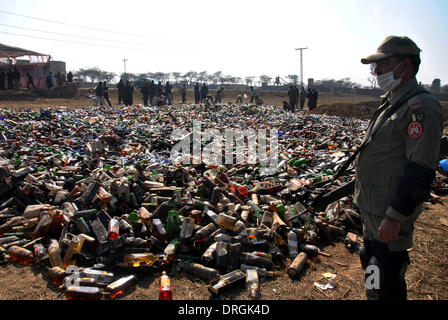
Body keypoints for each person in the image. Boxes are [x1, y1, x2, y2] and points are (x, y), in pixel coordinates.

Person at [355, 35, 443, 300]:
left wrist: (395, 216)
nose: (376, 70)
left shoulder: (421, 106)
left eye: (383, 64)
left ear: (405, 66)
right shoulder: (391, 101)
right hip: (372, 206)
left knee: (387, 274)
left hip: (388, 211)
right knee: (372, 264)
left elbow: (421, 169)